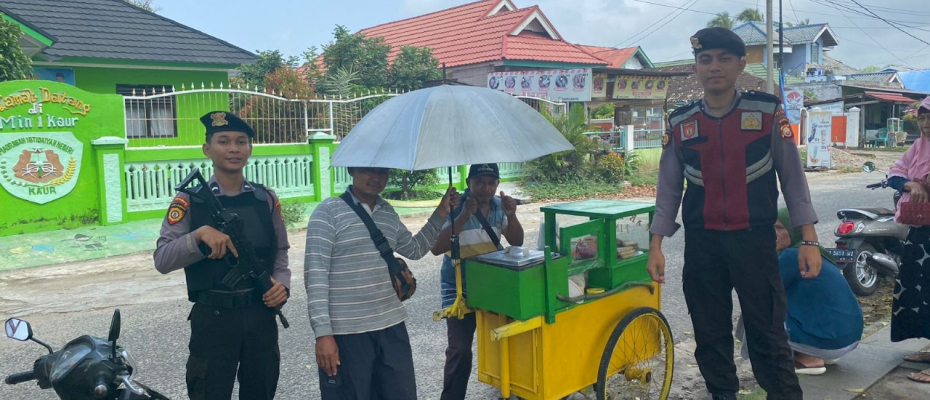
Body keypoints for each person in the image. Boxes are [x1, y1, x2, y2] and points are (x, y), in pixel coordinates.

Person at [646, 27, 821, 400]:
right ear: (695, 67)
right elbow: (668, 188)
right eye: (705, 59)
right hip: (702, 245)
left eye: (724, 59)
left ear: (741, 64)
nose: (714, 67)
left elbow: (793, 178)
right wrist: (656, 245)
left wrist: (808, 239)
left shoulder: (767, 112)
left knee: (767, 335)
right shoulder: (681, 122)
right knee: (710, 337)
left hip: (755, 242)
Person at [153, 111, 290, 400]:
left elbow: (280, 251)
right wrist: (197, 236)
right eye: (224, 141)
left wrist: (282, 285)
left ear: (250, 149)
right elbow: (162, 259)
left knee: (261, 390)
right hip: (213, 318)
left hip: (260, 313)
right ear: (207, 149)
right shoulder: (189, 201)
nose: (233, 148)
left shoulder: (265, 198)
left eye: (241, 141)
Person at [305, 167, 459, 399]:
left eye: (382, 172)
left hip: (391, 327)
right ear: (351, 170)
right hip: (347, 332)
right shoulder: (328, 212)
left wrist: (441, 212)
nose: (376, 178)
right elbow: (315, 275)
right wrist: (323, 334)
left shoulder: (387, 211)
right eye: (368, 170)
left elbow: (415, 249)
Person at [430, 163, 524, 400]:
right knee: (459, 349)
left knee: (508, 337)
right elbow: (436, 248)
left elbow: (517, 241)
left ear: (498, 184)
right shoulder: (454, 206)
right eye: (480, 182)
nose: (486, 187)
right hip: (458, 289)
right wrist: (463, 217)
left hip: (493, 284)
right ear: (468, 183)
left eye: (491, 182)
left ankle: (511, 388)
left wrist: (511, 215)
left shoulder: (499, 207)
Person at [737, 208, 863, 376]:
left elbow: (760, 290)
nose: (773, 234)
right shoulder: (815, 252)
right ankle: (816, 352)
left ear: (794, 230)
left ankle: (809, 359)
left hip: (831, 341)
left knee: (759, 309)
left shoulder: (792, 255)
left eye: (779, 228)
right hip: (848, 338)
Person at [886, 95, 930, 383]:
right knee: (920, 289)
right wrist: (911, 183)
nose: (925, 123)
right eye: (922, 117)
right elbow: (895, 173)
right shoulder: (919, 146)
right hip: (922, 229)